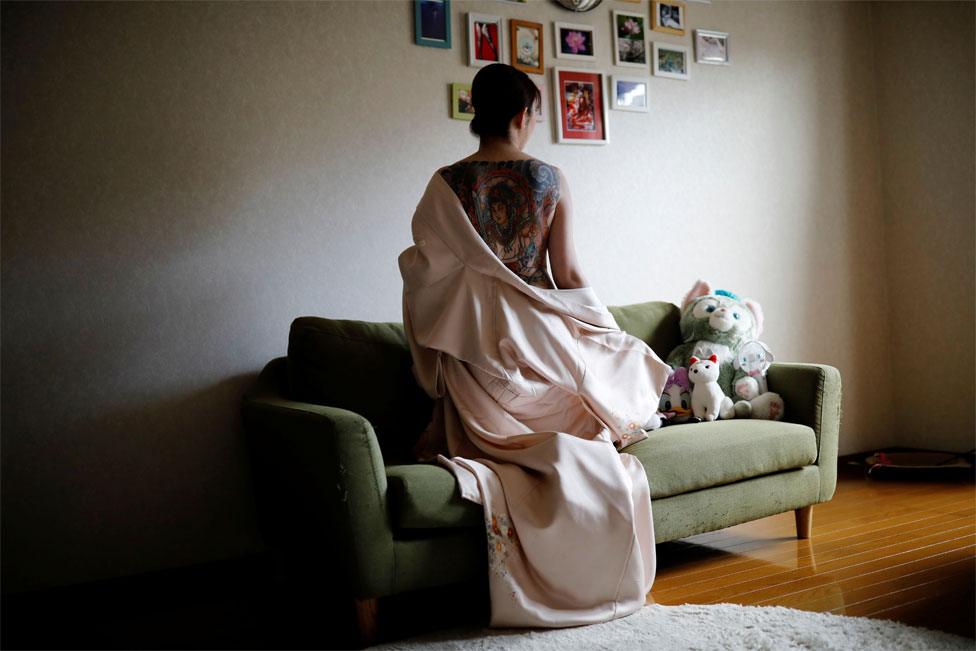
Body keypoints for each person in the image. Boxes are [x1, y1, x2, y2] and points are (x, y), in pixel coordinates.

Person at [398, 63, 672, 628]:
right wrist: (601, 330)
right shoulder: (549, 178)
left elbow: (424, 279)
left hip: (476, 362)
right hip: (538, 347)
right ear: (524, 115)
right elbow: (566, 272)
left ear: (477, 112)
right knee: (608, 390)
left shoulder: (443, 184)